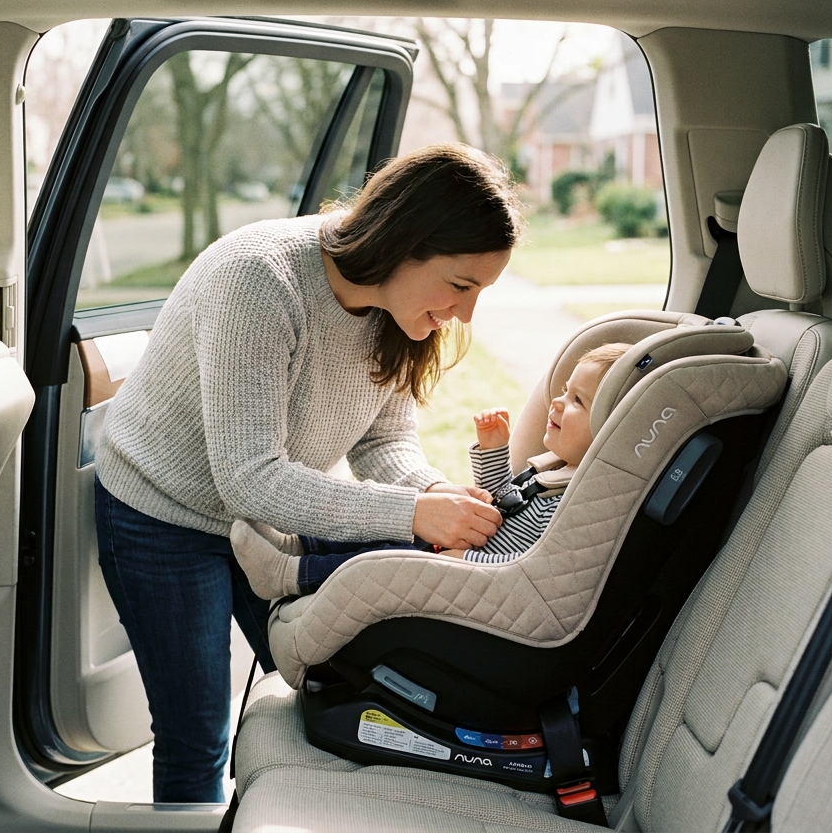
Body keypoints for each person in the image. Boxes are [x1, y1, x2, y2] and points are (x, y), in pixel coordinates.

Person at [94, 144, 520, 802]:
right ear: (405, 244)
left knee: (331, 690)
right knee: (198, 734)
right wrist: (410, 516)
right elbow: (250, 476)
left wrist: (430, 490)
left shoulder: (404, 312)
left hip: (272, 521)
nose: (465, 315)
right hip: (164, 514)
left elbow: (386, 440)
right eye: (461, 286)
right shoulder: (259, 281)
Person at [229, 343, 631, 597]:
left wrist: (464, 560)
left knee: (380, 564)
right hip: (457, 552)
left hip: (466, 576)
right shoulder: (552, 471)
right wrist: (494, 450)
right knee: (385, 531)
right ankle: (299, 543)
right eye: (562, 391)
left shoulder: (577, 502)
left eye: (578, 400)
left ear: (613, 431)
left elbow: (531, 567)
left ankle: (290, 574)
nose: (557, 403)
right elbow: (500, 505)